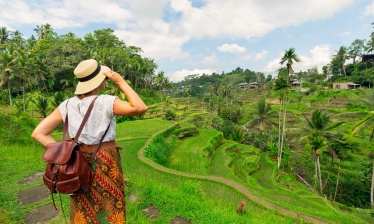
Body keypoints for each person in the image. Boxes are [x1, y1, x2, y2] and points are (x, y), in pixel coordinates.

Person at [32, 59, 148, 223]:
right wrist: (120, 81)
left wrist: (66, 154)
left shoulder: (67, 105)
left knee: (82, 205)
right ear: (100, 80)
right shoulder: (106, 101)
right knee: (110, 205)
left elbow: (38, 133)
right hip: (105, 161)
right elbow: (139, 108)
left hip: (76, 162)